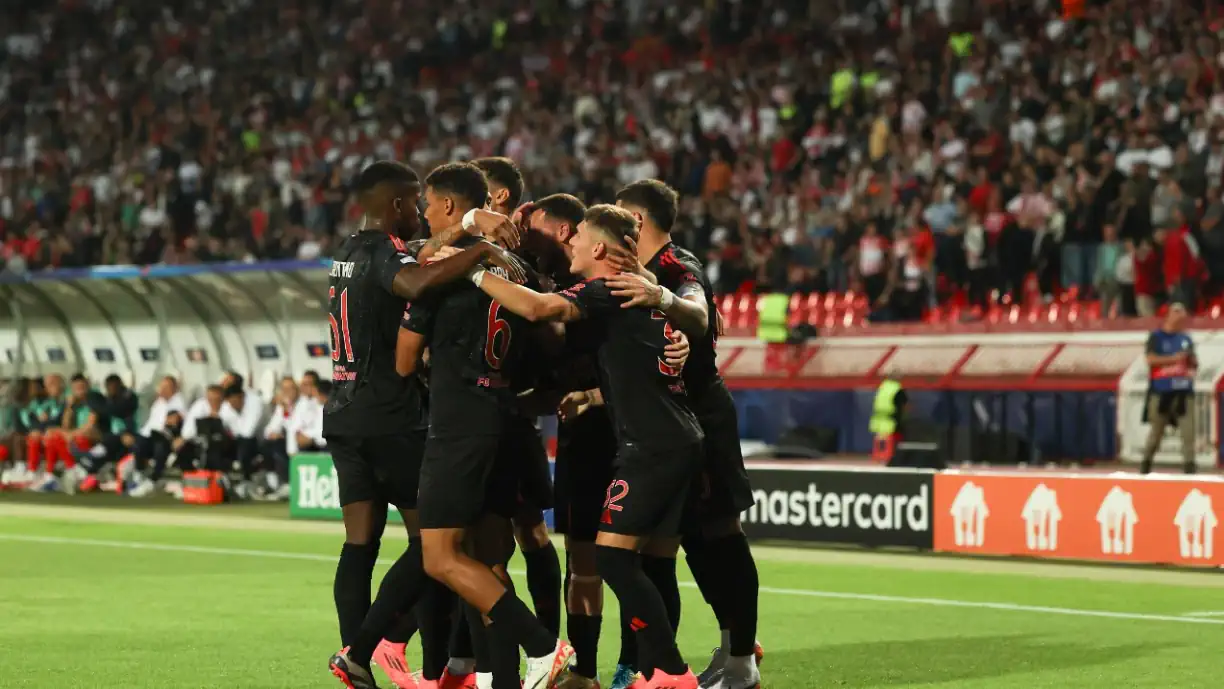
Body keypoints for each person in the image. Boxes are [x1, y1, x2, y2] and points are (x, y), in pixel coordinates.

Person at [323, 161, 571, 689]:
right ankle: (461, 668)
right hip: (481, 417)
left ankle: (406, 658)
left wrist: (471, 245)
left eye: (427, 203)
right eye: (415, 203)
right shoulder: (510, 270)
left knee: (423, 551)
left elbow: (409, 343)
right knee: (476, 552)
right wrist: (479, 244)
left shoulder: (348, 251)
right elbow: (546, 336)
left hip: (385, 417)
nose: (422, 212)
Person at [466, 203, 703, 689]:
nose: (570, 243)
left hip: (654, 443)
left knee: (615, 558)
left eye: (578, 240)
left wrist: (470, 269)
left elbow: (538, 307)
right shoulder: (637, 289)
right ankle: (658, 670)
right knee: (632, 558)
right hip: (667, 437)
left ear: (597, 247)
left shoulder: (605, 290)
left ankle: (670, 673)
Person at [608, 180, 762, 689]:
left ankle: (741, 659)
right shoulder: (630, 274)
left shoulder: (678, 269)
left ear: (639, 221)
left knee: (720, 533)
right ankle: (724, 648)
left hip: (702, 418)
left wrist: (664, 299)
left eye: (619, 215)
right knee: (687, 544)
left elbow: (695, 312)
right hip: (665, 423)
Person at [475, 155, 564, 642]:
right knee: (521, 534)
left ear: (498, 197)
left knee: (499, 542)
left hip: (493, 415)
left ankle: (533, 647)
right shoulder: (519, 258)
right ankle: (541, 646)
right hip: (509, 412)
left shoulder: (512, 256)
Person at [1140, 303, 1198, 474]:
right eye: (1177, 312)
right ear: (1169, 315)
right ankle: (1146, 464)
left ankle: (1189, 467)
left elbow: (1194, 364)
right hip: (1162, 392)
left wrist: (1191, 361)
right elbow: (1150, 360)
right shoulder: (1156, 337)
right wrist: (1173, 359)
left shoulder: (1186, 339)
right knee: (1156, 433)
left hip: (1183, 391)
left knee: (1188, 433)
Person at [127, 375, 186, 497]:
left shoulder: (179, 401)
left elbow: (174, 421)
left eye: (166, 387)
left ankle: (153, 481)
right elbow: (149, 426)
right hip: (151, 436)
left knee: (160, 447)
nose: (162, 390)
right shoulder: (158, 403)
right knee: (138, 443)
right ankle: (139, 476)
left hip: (168, 437)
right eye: (162, 387)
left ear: (174, 388)